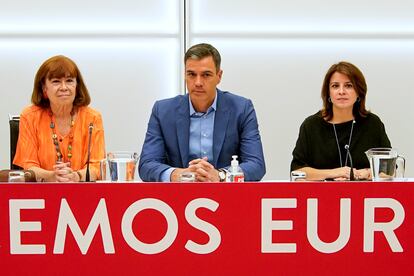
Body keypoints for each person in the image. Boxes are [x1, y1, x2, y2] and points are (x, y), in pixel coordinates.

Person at [139, 43, 265, 182]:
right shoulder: (163, 111)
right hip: (176, 197)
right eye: (191, 74)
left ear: (219, 76)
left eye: (206, 75)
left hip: (228, 196)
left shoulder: (241, 109)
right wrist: (176, 174)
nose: (198, 82)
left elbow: (256, 165)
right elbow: (146, 165)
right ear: (185, 75)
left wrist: (221, 175)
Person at [291, 61, 391, 181]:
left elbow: (389, 169)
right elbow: (297, 171)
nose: (341, 91)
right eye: (335, 86)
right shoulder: (311, 125)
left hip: (365, 197)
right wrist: (334, 173)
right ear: (328, 93)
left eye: (348, 85)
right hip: (321, 197)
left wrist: (367, 173)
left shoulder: (372, 123)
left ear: (359, 92)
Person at [13, 55, 105, 182]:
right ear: (44, 88)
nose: (64, 87)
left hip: (82, 193)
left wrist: (76, 176)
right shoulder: (30, 116)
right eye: (56, 81)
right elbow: (28, 166)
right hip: (40, 196)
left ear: (77, 86)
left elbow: (97, 167)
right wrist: (51, 176)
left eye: (69, 81)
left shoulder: (92, 118)